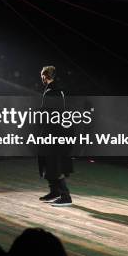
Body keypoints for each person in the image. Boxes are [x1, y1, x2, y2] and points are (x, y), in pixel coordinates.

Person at [37, 66, 73, 207]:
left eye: (42, 76)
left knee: (54, 164)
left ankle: (65, 196)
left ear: (45, 76)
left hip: (54, 132)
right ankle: (55, 191)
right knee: (47, 160)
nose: (41, 79)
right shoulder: (56, 90)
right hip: (55, 131)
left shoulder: (53, 91)